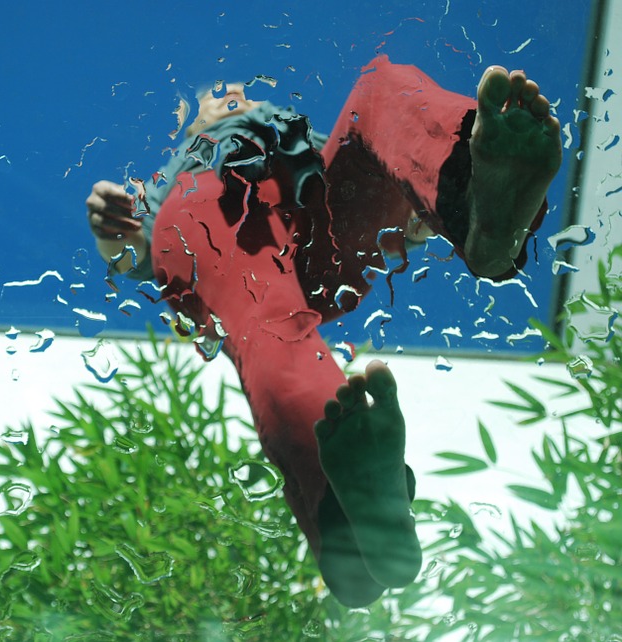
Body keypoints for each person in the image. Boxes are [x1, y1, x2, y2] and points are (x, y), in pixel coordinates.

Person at [84, 55, 562, 607]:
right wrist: (110, 227)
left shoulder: (294, 136)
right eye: (219, 97)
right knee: (264, 317)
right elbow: (132, 257)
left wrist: (418, 209)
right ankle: (347, 517)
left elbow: (387, 183)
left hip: (313, 227)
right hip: (216, 221)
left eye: (240, 93)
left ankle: (471, 194)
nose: (234, 95)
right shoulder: (177, 174)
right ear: (195, 121)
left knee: (378, 91)